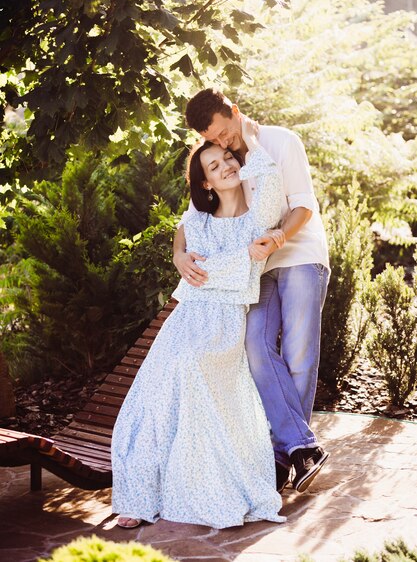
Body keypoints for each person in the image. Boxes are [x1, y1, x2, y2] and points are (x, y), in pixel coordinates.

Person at [112, 122, 287, 529]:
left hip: (224, 322)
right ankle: (141, 498)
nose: (225, 165)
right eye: (214, 164)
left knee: (190, 366)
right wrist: (178, 256)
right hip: (186, 317)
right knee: (150, 394)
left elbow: (271, 175)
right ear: (205, 182)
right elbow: (181, 232)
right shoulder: (201, 218)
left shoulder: (257, 217)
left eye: (227, 157)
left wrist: (244, 133)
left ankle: (202, 488)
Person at [173, 89, 330, 493]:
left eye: (225, 134)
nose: (224, 145)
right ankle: (299, 447)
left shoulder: (280, 141)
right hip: (256, 269)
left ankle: (284, 453)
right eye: (215, 139)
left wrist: (278, 237)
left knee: (298, 353)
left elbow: (303, 205)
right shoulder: (227, 160)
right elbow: (190, 216)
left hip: (298, 256)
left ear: (235, 112)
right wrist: (178, 255)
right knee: (256, 346)